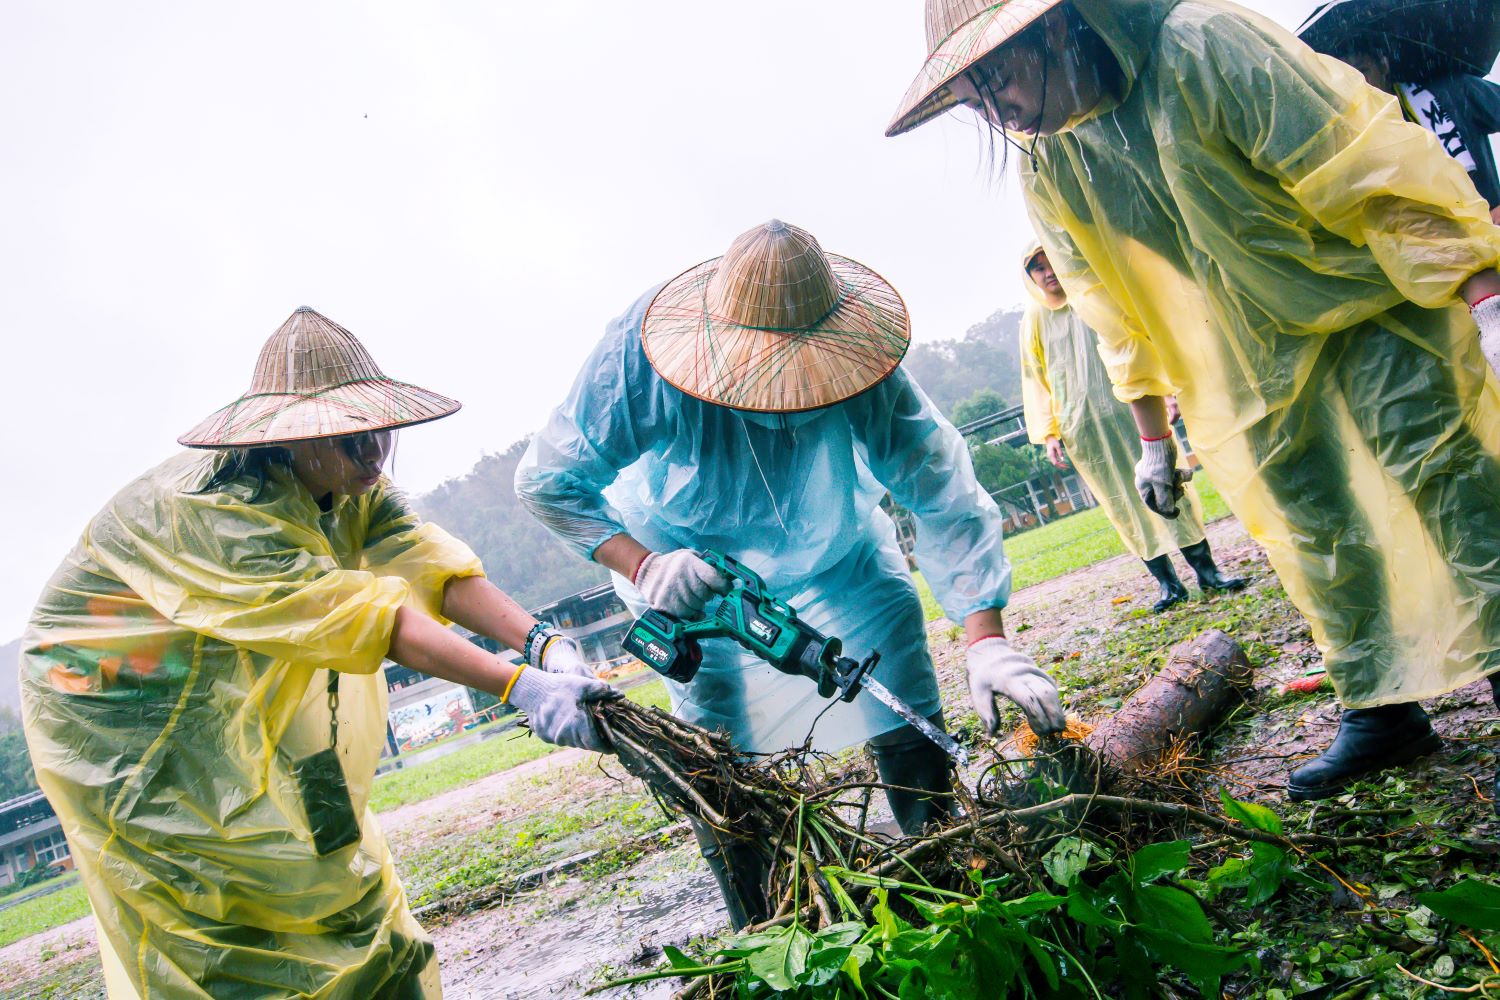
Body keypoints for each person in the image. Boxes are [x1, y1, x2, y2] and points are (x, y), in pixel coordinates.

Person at [885, 0, 1500, 806]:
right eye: (973, 98)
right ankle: (1381, 707)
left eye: (995, 75)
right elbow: (1112, 308)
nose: (993, 107)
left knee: (1452, 486)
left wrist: (1484, 298)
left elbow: (1363, 163)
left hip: (1371, 312)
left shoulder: (1203, 46)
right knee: (1314, 526)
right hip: (1248, 362)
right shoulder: (1057, 163)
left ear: (1060, 27)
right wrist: (1151, 441)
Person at [20, 307, 619, 999]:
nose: (374, 457)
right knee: (219, 904)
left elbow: (420, 560)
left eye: (382, 435)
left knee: (332, 866)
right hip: (124, 727)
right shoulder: (220, 511)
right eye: (353, 439)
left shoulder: (340, 480)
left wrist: (545, 644)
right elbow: (367, 619)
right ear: (294, 440)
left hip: (231, 691)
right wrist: (521, 687)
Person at [516, 219, 1065, 927]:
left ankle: (942, 856)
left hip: (837, 547)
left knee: (894, 639)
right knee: (714, 737)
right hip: (692, 573)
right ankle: (760, 918)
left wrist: (985, 636)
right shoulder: (639, 359)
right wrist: (645, 564)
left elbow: (939, 481)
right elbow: (550, 481)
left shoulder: (861, 357)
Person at [1019, 243, 1244, 612]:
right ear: (1030, 278)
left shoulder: (1095, 293)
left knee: (1168, 485)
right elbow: (1035, 378)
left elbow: (1139, 341)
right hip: (1084, 429)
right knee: (1122, 502)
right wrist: (1048, 433)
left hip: (1134, 412)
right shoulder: (1033, 319)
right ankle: (1168, 586)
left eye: (1050, 263)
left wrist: (1165, 390)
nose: (1048, 273)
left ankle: (1208, 573)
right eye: (1037, 269)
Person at [1317, 44, 1500, 226]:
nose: (1359, 81)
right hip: (1430, 250)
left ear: (1383, 65)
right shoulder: (1348, 148)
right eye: (1347, 76)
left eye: (1363, 70)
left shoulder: (1453, 92)